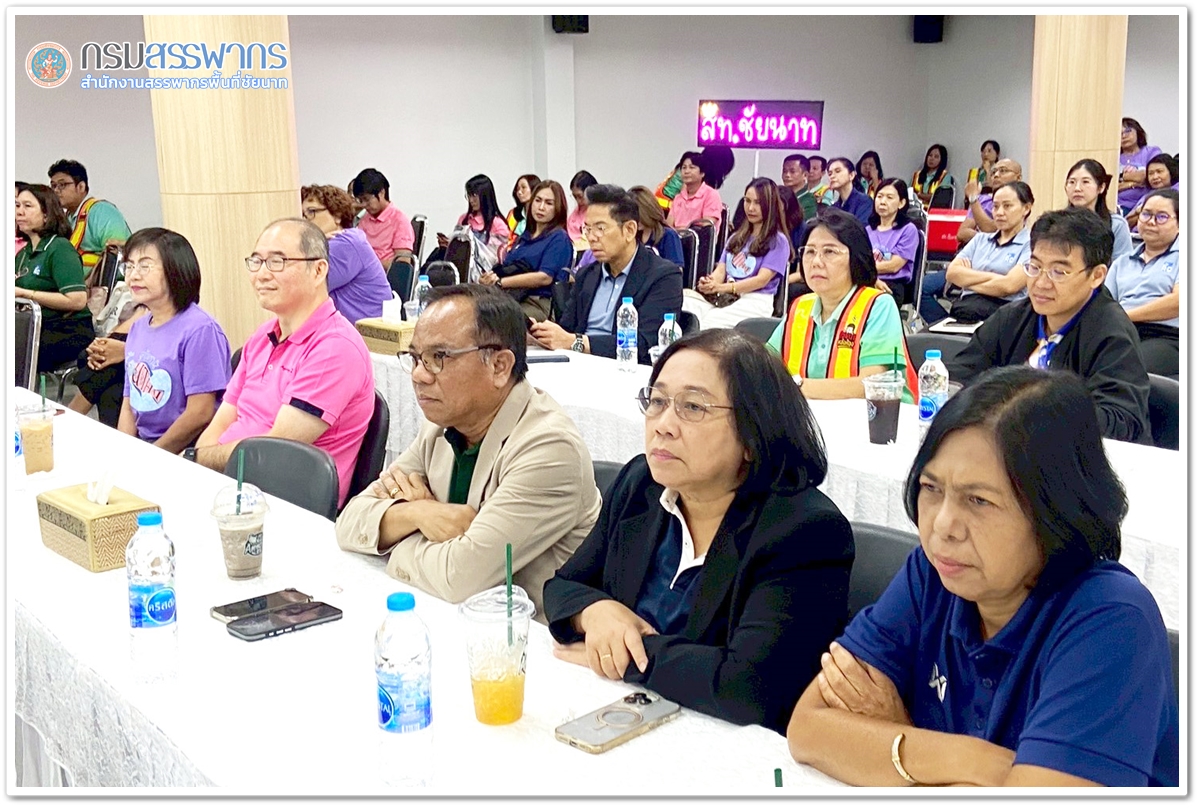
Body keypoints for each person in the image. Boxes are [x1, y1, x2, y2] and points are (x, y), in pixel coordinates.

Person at [787, 364, 1178, 786]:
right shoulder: (934, 575)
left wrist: (894, 740)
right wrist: (971, 759)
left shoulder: (1111, 620)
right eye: (931, 488)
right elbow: (808, 728)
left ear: (1057, 511)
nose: (943, 526)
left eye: (978, 500)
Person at [544, 329, 853, 735]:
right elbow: (563, 587)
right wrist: (596, 612)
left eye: (692, 407)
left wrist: (628, 653)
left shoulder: (803, 531)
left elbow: (748, 688)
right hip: (624, 717)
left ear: (753, 435)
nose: (663, 426)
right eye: (657, 401)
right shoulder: (642, 485)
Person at [335, 284, 601, 618]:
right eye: (415, 358)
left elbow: (458, 578)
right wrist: (419, 514)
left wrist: (393, 538)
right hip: (447, 616)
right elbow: (350, 522)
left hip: (525, 637)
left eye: (439, 358)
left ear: (499, 366)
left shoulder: (550, 450)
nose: (418, 375)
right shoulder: (442, 425)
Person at [193, 219, 375, 507]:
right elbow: (221, 421)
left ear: (318, 271)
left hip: (285, 503)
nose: (261, 274)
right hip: (230, 485)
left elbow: (271, 457)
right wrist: (199, 460)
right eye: (256, 261)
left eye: (277, 262)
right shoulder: (262, 336)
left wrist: (200, 458)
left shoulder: (334, 347)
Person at [946, 207, 1150, 444]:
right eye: (1034, 267)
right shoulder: (1013, 317)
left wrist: (1027, 408)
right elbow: (961, 374)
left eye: (1059, 272)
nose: (1041, 283)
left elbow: (1119, 421)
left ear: (1096, 275)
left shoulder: (1111, 333)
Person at [766, 208, 915, 403]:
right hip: (811, 416)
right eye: (810, 251)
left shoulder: (878, 306)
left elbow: (870, 385)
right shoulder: (800, 307)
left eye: (829, 251)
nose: (816, 262)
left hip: (874, 419)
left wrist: (795, 386)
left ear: (856, 258)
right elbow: (764, 367)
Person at [530, 184, 683, 365]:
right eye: (587, 229)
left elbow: (646, 343)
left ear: (629, 230)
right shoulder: (587, 275)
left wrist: (577, 342)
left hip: (625, 369)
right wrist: (542, 335)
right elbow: (567, 330)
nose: (591, 237)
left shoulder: (664, 277)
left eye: (600, 228)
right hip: (578, 364)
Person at [115, 228, 231, 453]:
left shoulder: (200, 330)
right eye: (129, 266)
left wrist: (153, 455)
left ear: (175, 270)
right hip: (145, 445)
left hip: (186, 449)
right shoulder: (138, 327)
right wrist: (125, 451)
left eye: (145, 266)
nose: (133, 276)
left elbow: (200, 413)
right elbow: (129, 403)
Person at [684, 178, 790, 330]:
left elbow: (761, 280)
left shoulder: (778, 241)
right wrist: (709, 283)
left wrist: (722, 287)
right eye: (747, 201)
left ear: (770, 205)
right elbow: (720, 271)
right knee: (685, 306)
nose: (751, 208)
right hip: (725, 297)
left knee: (708, 324)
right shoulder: (736, 237)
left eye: (757, 203)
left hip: (755, 300)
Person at [14, 184, 94, 374]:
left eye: (27, 206)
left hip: (66, 330)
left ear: (46, 214)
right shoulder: (24, 253)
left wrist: (25, 293)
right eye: (17, 206)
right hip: (36, 327)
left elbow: (77, 300)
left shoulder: (60, 248)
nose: (19, 212)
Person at [930, 182, 1035, 326]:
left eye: (1007, 206)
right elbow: (952, 274)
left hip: (1006, 316)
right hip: (967, 310)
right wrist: (998, 279)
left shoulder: (1031, 244)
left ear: (1026, 208)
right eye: (995, 206)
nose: (999, 212)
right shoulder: (980, 239)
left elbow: (1009, 286)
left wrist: (968, 281)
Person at [1105, 189, 1179, 378]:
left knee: (1127, 370)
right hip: (1120, 331)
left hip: (1166, 335)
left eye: (1161, 217)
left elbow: (1179, 302)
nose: (1151, 222)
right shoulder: (1122, 262)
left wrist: (1126, 315)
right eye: (1146, 214)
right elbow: (1104, 303)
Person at [480, 179, 572, 321]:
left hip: (539, 303)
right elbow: (508, 266)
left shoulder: (559, 238)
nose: (541, 207)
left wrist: (501, 282)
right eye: (537, 200)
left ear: (558, 208)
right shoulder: (524, 236)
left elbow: (544, 277)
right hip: (511, 297)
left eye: (549, 203)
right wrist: (489, 279)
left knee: (497, 320)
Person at [301, 184, 392, 323]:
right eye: (302, 215)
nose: (305, 220)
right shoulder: (339, 241)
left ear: (337, 215)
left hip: (368, 332)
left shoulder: (345, 244)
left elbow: (303, 287)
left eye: (312, 211)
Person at [47, 159, 132, 277]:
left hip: (107, 285)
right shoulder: (67, 218)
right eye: (53, 186)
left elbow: (116, 254)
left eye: (62, 185)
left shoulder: (101, 211)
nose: (56, 190)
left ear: (81, 187)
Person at [1064, 159, 1133, 261]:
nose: (1077, 188)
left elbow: (1123, 265)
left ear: (1101, 187)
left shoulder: (1116, 225)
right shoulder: (1057, 223)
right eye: (1072, 182)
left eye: (1085, 182)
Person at [866, 179, 920, 307]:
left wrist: (864, 270)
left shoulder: (908, 230)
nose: (882, 201)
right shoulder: (867, 230)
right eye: (879, 196)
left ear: (901, 203)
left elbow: (893, 266)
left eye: (889, 197)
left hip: (892, 285)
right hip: (868, 280)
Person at [351, 168, 415, 270]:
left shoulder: (400, 221)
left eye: (367, 199)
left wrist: (369, 263)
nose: (364, 205)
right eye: (361, 200)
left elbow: (402, 265)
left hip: (383, 276)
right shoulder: (364, 220)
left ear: (382, 193)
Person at [957, 159, 1022, 243]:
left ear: (1018, 178)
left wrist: (973, 199)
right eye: (993, 172)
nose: (996, 175)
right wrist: (986, 239)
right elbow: (962, 233)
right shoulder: (982, 199)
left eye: (1003, 171)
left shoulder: (1020, 201)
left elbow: (992, 229)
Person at [1117, 117, 1163, 214]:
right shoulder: (1114, 158)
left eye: (1128, 131)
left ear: (1138, 132)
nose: (1123, 136)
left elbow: (1150, 175)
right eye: (1119, 133)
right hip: (1119, 205)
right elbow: (1111, 186)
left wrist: (1123, 177)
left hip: (1146, 203)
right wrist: (1133, 183)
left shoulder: (1151, 151)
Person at [667, 152, 723, 229]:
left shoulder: (711, 195)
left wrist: (682, 231)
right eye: (684, 167)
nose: (686, 171)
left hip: (697, 236)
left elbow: (707, 227)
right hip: (677, 236)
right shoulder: (678, 198)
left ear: (702, 173)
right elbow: (668, 226)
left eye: (692, 167)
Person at [1126, 154, 1178, 232]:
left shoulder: (1178, 190)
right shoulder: (1147, 195)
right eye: (1150, 173)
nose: (1155, 177)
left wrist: (1141, 212)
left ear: (1171, 172)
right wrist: (1140, 211)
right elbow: (1127, 222)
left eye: (1159, 172)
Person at [827, 158, 874, 225]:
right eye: (830, 174)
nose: (832, 176)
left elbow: (861, 228)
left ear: (851, 175)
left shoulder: (864, 201)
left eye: (837, 171)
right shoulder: (833, 208)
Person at [505, 173, 541, 250]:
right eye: (517, 189)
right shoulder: (513, 214)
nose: (519, 192)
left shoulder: (541, 213)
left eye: (523, 188)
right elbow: (507, 237)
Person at [781, 153, 818, 220]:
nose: (787, 175)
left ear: (805, 175)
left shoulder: (809, 201)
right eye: (784, 171)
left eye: (792, 171)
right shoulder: (779, 197)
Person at [567, 170, 598, 248]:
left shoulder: (599, 212)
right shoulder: (576, 213)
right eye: (575, 197)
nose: (578, 201)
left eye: (580, 196)